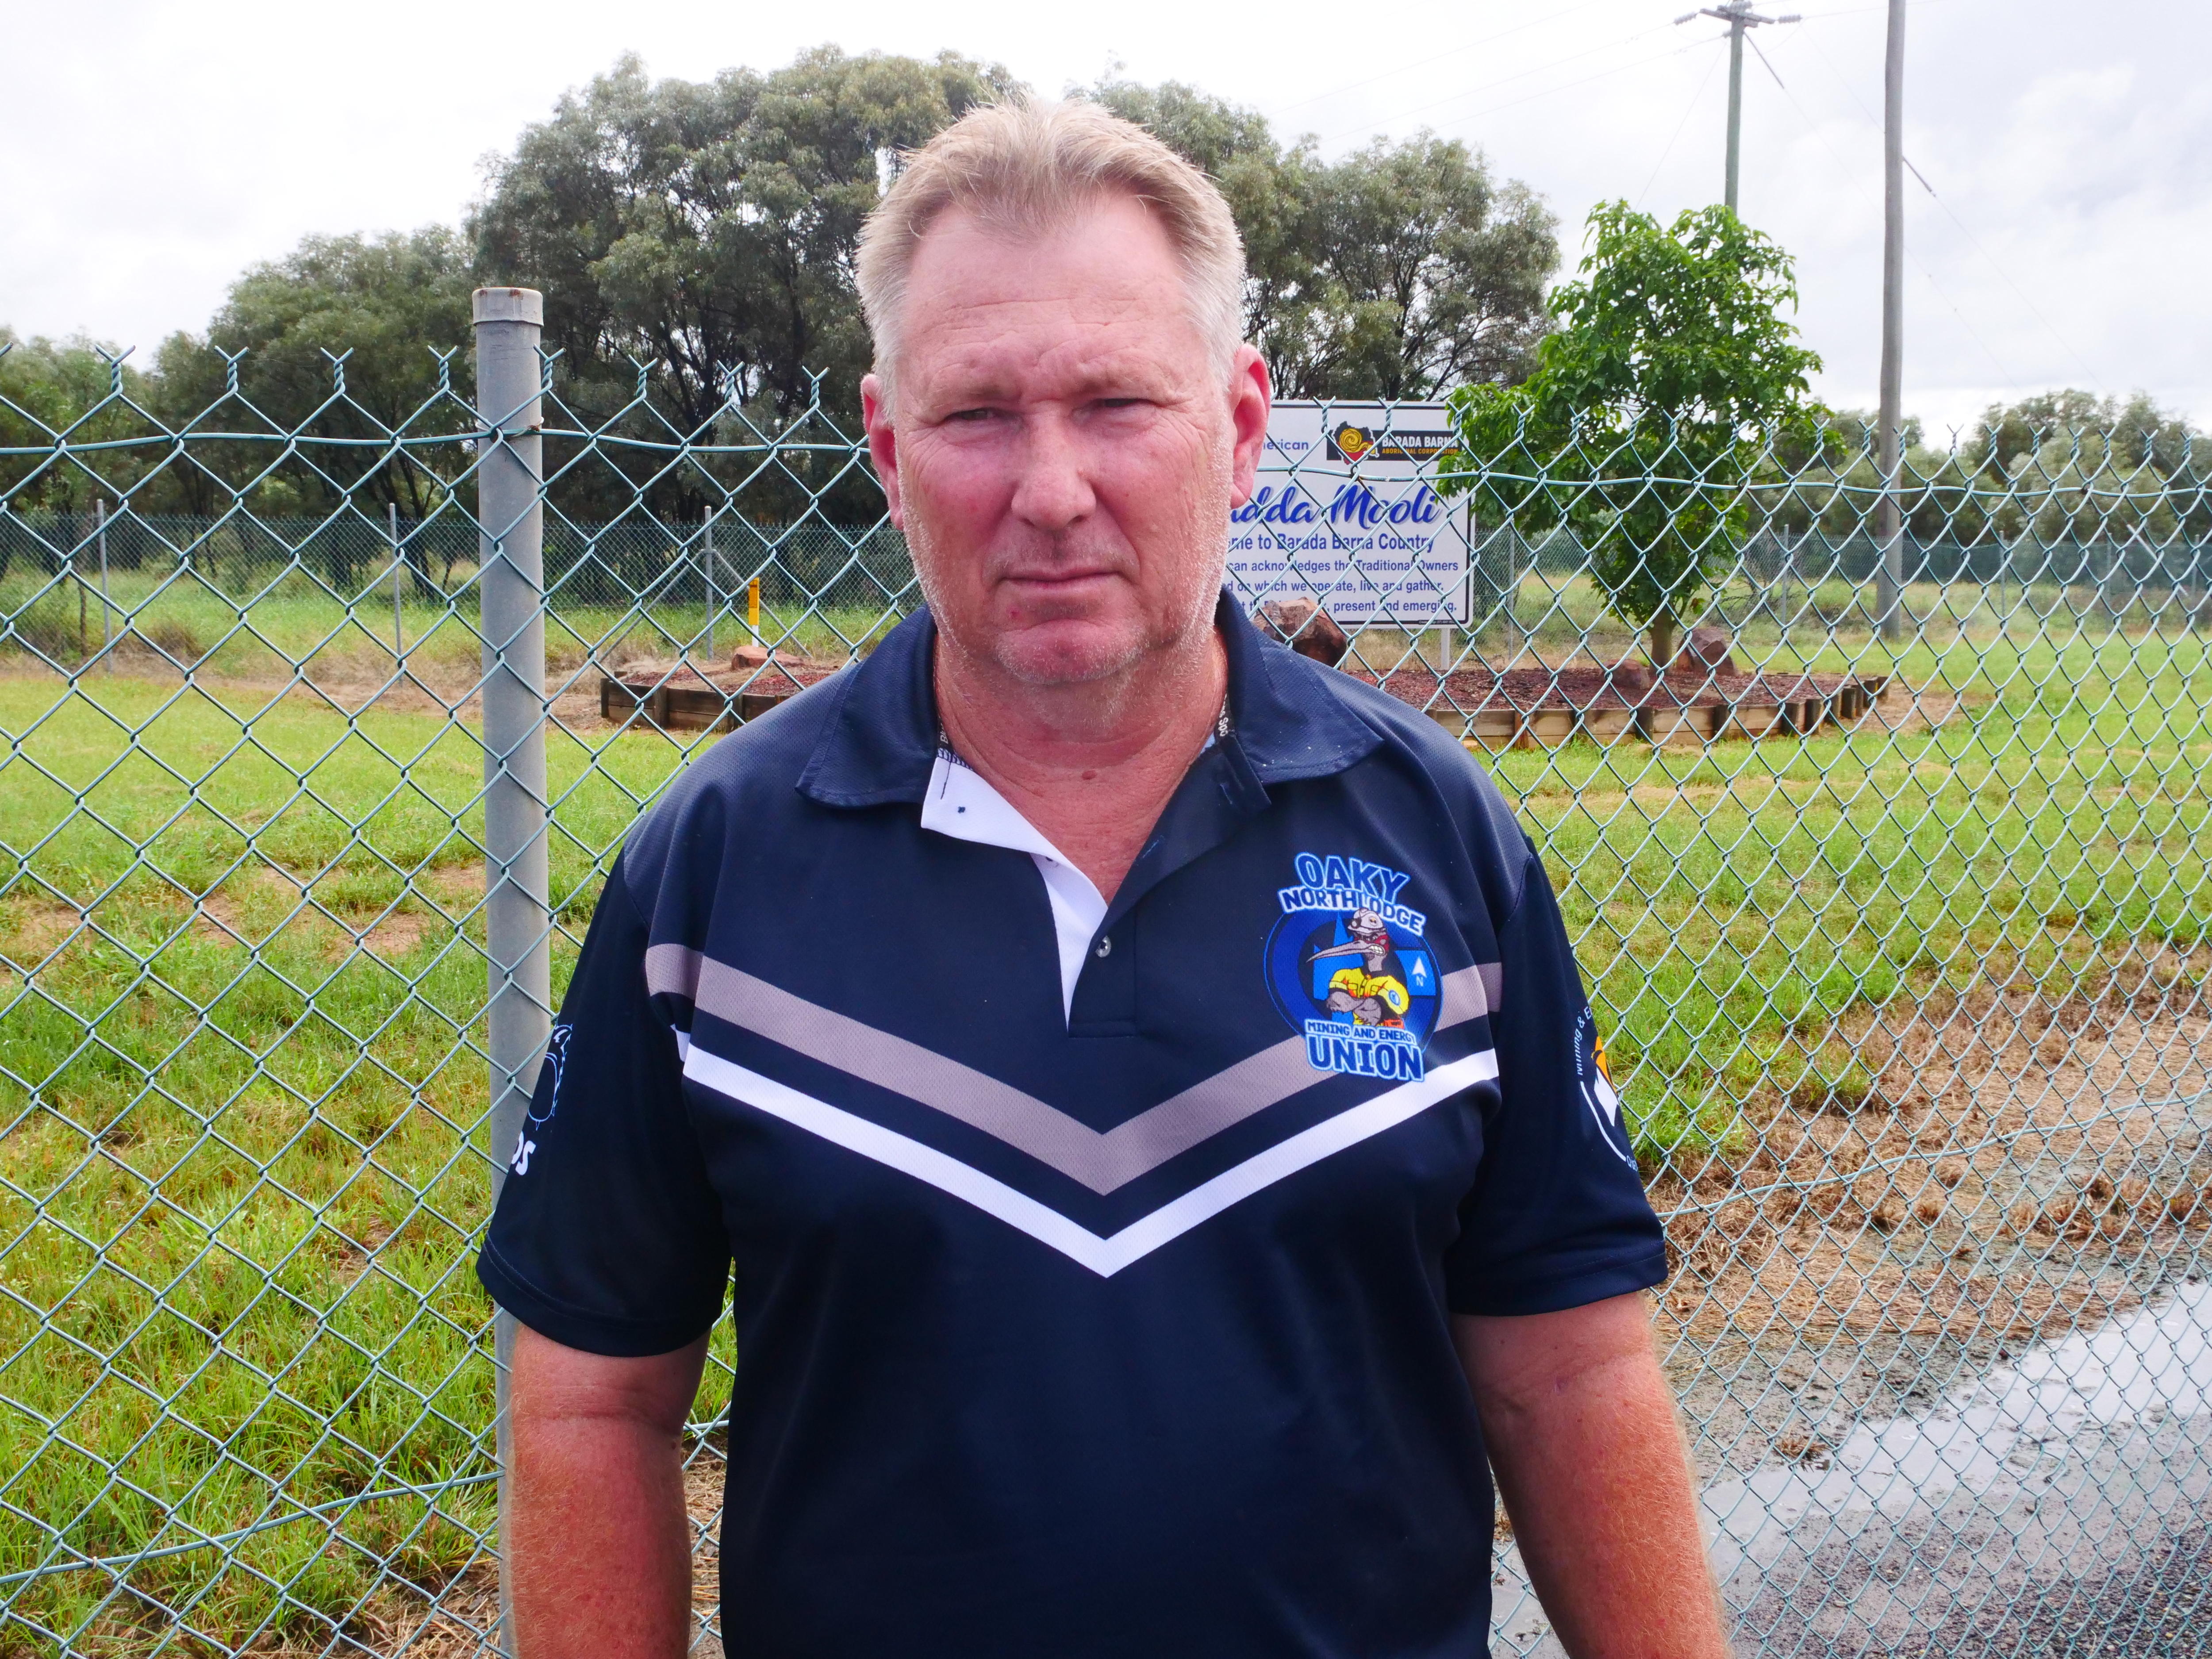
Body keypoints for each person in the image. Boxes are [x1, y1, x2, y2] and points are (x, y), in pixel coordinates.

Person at [477, 98, 1726, 1659]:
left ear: (1242, 422)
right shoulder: (716, 868)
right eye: (977, 415)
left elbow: (1570, 1371)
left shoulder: (1439, 841)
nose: (1052, 489)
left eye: (1119, 404)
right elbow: (593, 1398)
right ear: (885, 446)